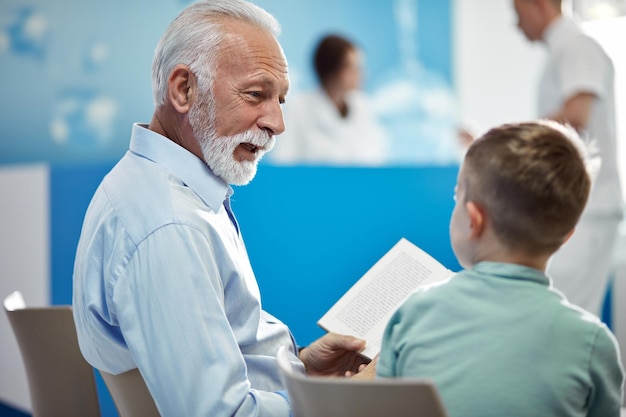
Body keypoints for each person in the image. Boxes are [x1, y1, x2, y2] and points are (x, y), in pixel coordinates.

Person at [71, 1, 373, 415]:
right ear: (183, 90)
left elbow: (220, 360)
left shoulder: (164, 191)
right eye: (256, 94)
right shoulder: (171, 227)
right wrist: (343, 402)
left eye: (280, 100)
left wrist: (299, 365)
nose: (277, 122)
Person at [377, 121, 625, 416]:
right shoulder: (593, 344)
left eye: (458, 196)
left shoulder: (414, 313)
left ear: (474, 220)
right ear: (567, 235)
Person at [513, 0, 624, 316]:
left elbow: (576, 114)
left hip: (587, 208)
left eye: (518, 15)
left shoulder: (577, 46)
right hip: (578, 209)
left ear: (540, 5)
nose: (517, 26)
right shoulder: (565, 51)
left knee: (568, 312)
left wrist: (514, 136)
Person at [268, 33, 389, 165]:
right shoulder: (300, 108)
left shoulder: (364, 106)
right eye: (353, 67)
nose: (360, 74)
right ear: (332, 71)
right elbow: (285, 159)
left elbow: (376, 157)